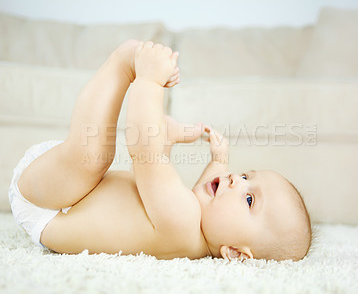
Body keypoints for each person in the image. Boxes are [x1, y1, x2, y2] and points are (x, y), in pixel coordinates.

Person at [9, 40, 312, 261]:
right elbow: (199, 195)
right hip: (73, 196)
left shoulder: (182, 225)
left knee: (94, 158)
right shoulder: (191, 228)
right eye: (246, 175)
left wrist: (149, 80)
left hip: (51, 208)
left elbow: (143, 148)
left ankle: (121, 65)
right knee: (118, 164)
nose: (237, 180)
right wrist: (218, 161)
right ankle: (149, 109)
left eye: (249, 198)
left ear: (234, 252)